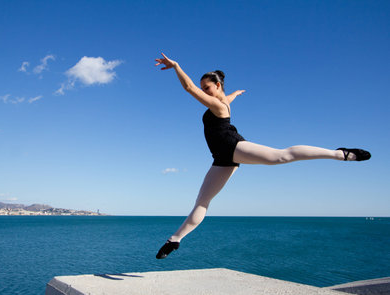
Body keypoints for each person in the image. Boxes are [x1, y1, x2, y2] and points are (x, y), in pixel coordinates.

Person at [154, 53, 371, 259]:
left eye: (207, 87)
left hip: (233, 146)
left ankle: (340, 154)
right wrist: (236, 94)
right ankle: (175, 240)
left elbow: (189, 87)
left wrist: (176, 66)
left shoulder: (218, 105)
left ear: (217, 85)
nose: (204, 91)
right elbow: (226, 97)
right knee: (202, 202)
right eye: (204, 88)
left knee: (280, 156)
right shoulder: (224, 101)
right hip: (221, 158)